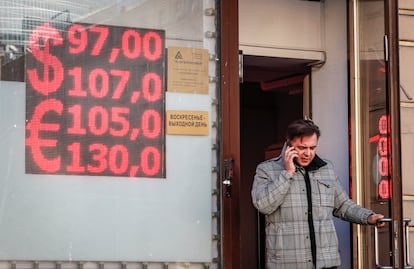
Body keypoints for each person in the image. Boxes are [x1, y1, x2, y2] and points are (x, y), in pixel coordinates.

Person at [251, 119, 385, 269]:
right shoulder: (266, 170)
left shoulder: (326, 169)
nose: (308, 153)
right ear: (289, 144)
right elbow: (263, 205)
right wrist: (287, 174)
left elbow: (342, 205)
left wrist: (368, 217)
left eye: (312, 148)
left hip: (326, 263)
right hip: (287, 263)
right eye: (302, 148)